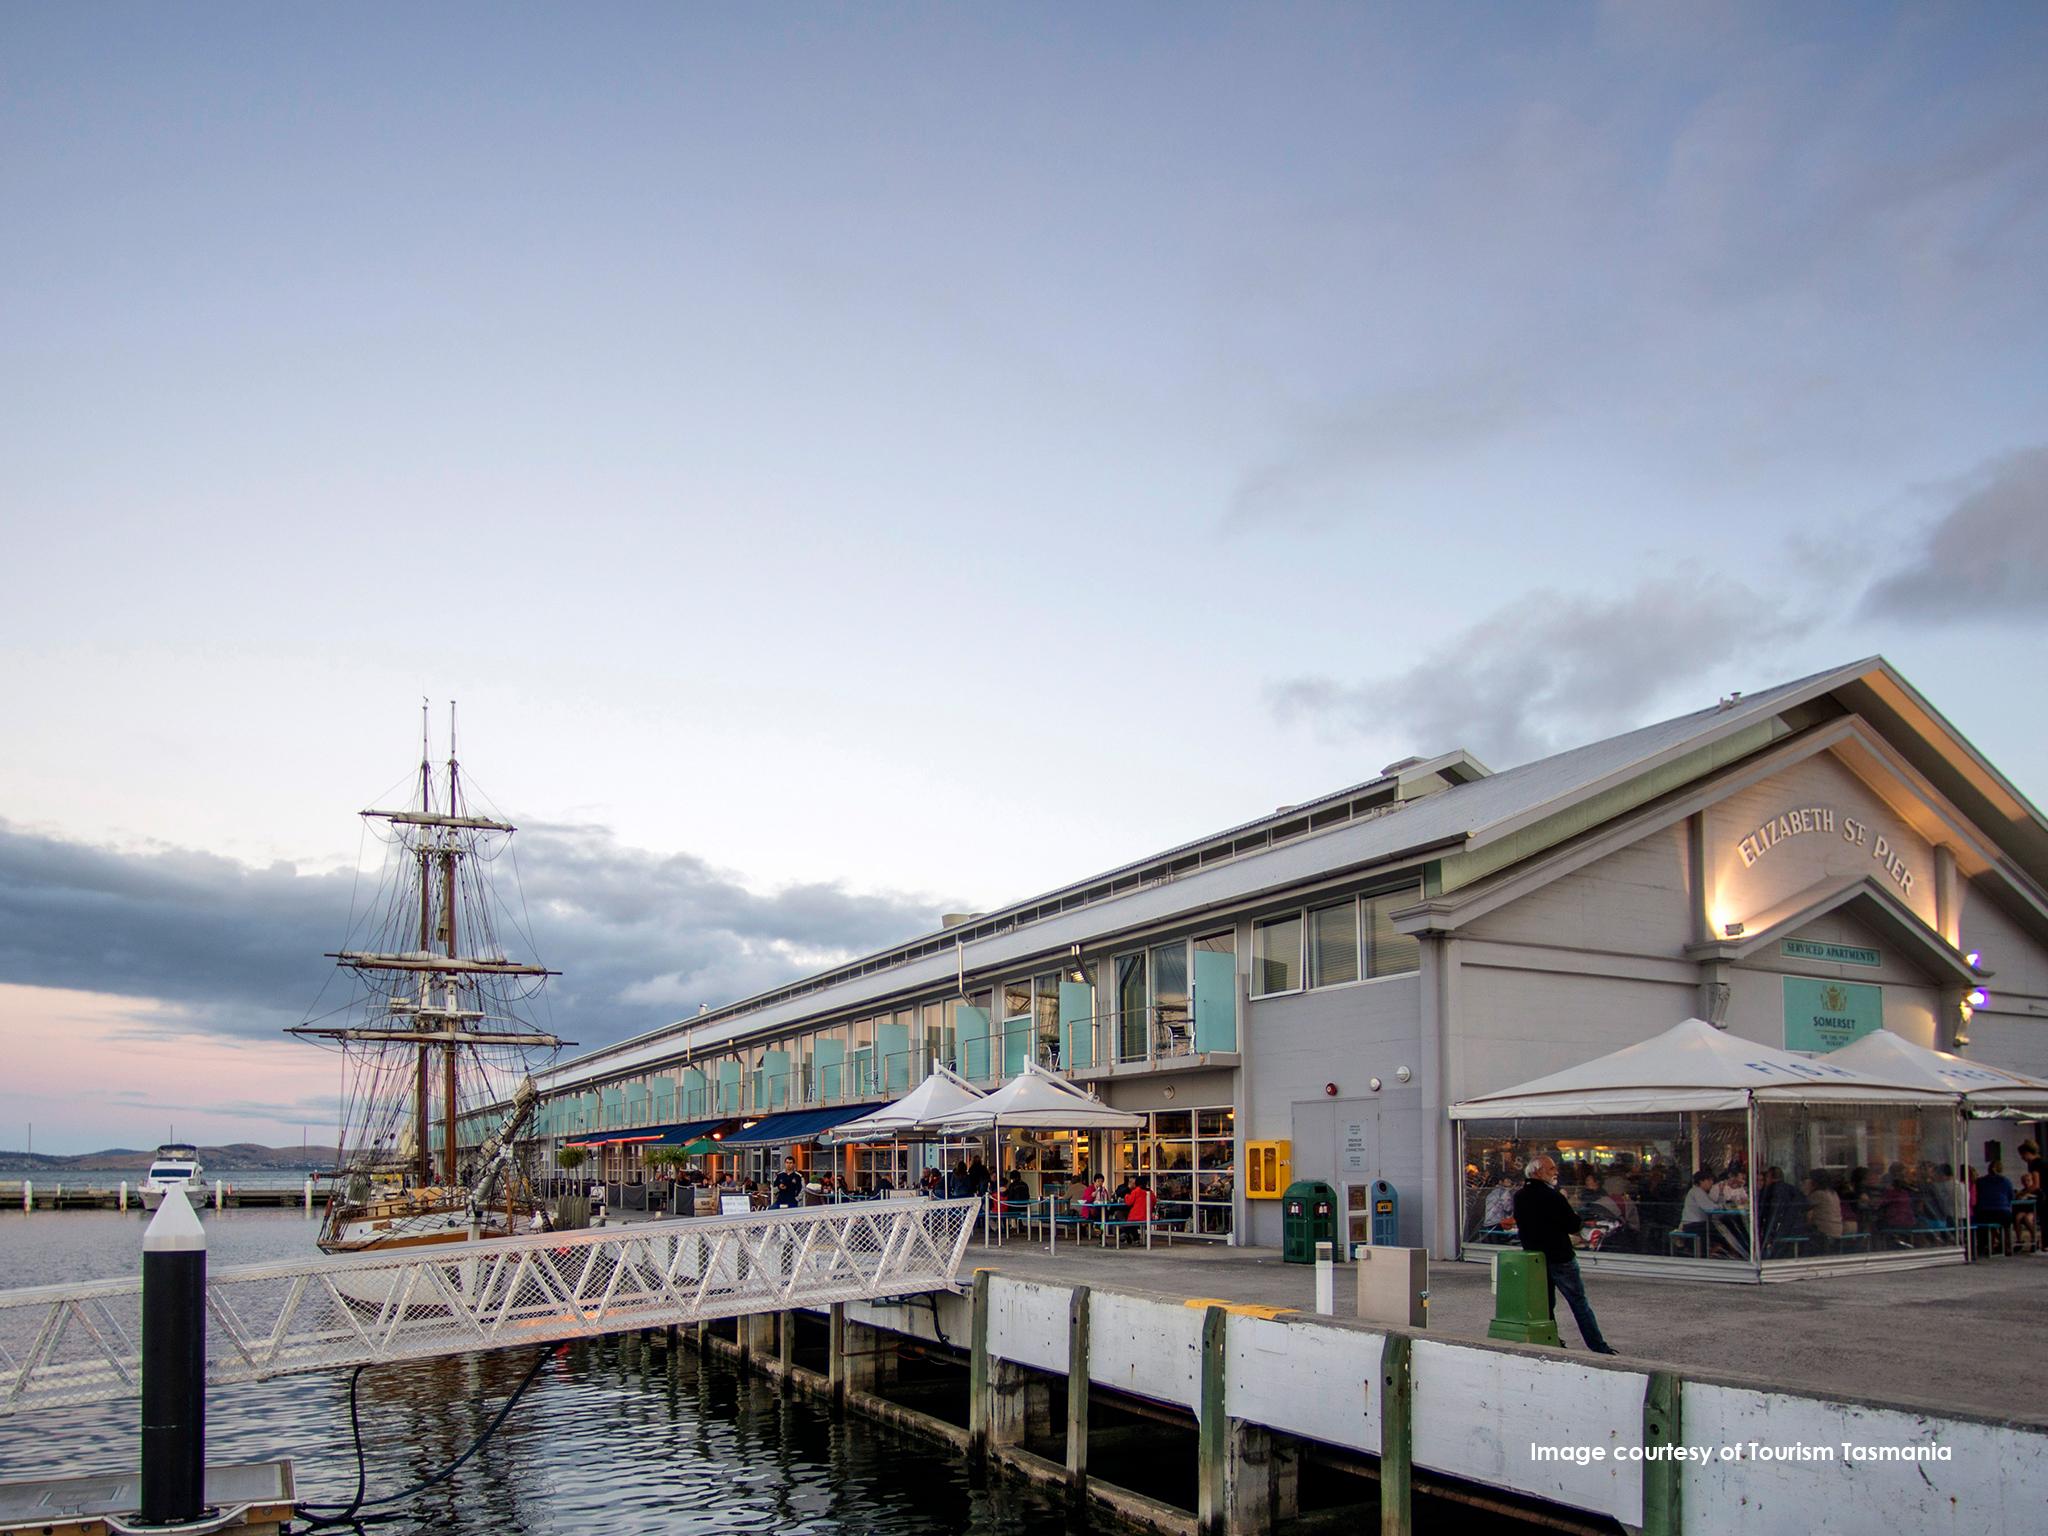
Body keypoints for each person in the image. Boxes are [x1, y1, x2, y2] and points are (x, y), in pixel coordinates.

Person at [1511, 1156, 1616, 1355]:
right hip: (1560, 1256)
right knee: (1578, 1302)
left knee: (1545, 1304)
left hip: (1535, 1258)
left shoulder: (1520, 1196)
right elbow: (1573, 1225)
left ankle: (1551, 1339)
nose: (1555, 1172)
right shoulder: (1553, 1197)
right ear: (1538, 1172)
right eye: (1551, 1169)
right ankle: (1597, 1345)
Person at [1975, 1161, 2015, 1255]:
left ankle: (1983, 1246)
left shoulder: (1980, 1181)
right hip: (2002, 1212)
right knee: (2006, 1226)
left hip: (1984, 1212)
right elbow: (2011, 1197)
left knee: (1982, 1225)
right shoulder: (2006, 1181)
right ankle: (2007, 1246)